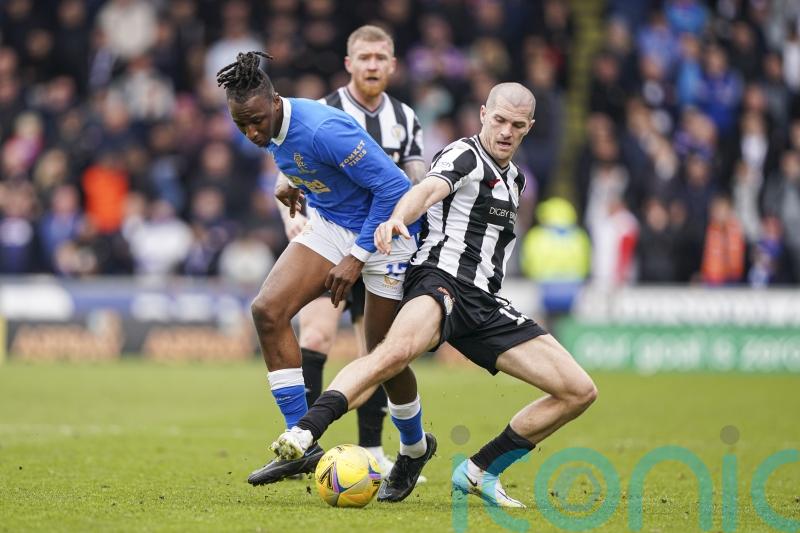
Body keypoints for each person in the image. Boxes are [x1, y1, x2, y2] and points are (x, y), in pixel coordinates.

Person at [270, 83, 598, 507]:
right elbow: (426, 189)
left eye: (517, 125)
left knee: (579, 390)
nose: (505, 132)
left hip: (484, 303)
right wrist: (396, 220)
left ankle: (480, 470)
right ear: (483, 114)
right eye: (498, 120)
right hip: (439, 282)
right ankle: (306, 430)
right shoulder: (463, 154)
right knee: (391, 354)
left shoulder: (515, 180)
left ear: (529, 128)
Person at [215, 51, 423, 486]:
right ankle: (302, 445)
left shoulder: (323, 128)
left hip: (386, 232)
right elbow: (300, 158)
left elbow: (394, 188)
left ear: (275, 102)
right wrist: (293, 181)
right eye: (241, 125)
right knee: (267, 310)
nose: (251, 132)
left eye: (255, 120)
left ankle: (413, 449)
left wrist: (358, 256)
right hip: (332, 225)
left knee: (383, 354)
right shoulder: (269, 128)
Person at [274, 25, 427, 478]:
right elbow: (288, 177)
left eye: (381, 57)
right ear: (349, 64)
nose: (373, 65)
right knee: (316, 336)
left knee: (376, 350)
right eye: (365, 57)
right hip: (332, 236)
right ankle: (306, 444)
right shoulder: (322, 111)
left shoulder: (406, 118)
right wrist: (292, 220)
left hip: (381, 244)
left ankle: (373, 448)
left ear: (393, 65)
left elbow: (416, 181)